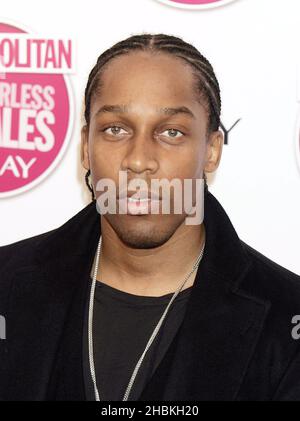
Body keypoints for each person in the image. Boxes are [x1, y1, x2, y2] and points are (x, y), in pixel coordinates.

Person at [1, 33, 300, 401]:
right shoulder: (7, 285)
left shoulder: (287, 319)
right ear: (85, 148)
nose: (139, 160)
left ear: (211, 151)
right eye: (115, 129)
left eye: (171, 132)